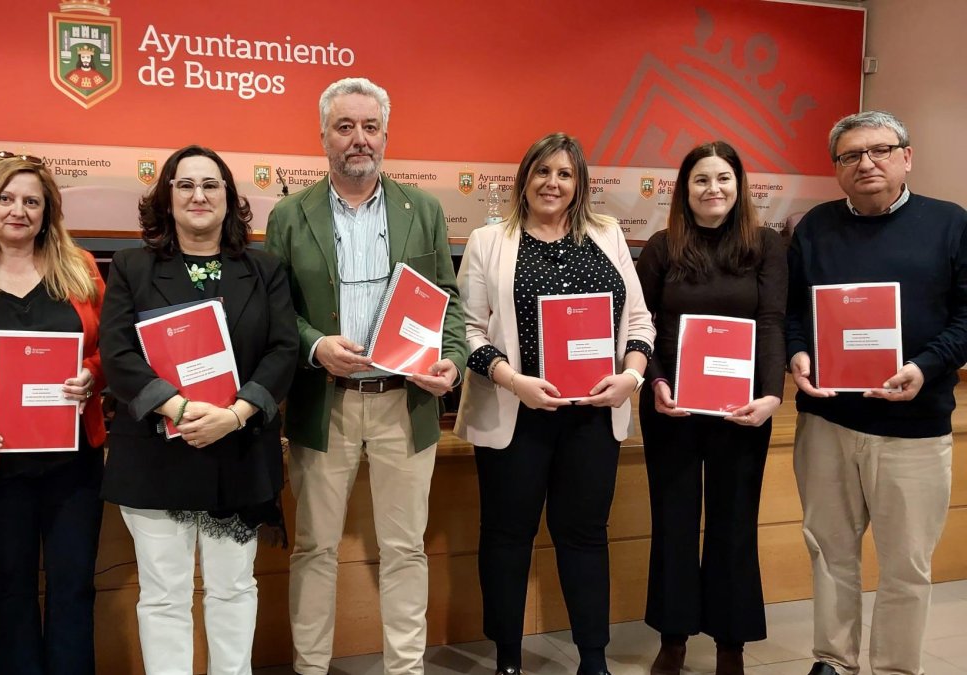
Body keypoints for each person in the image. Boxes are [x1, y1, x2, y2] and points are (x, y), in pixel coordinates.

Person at [265, 77, 467, 675]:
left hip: (405, 403)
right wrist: (314, 345)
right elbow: (276, 312)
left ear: (386, 134)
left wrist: (450, 360)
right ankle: (310, 667)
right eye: (345, 127)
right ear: (323, 135)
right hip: (321, 405)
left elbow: (447, 300)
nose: (359, 140)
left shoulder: (423, 210)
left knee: (406, 551)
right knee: (314, 549)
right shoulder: (288, 215)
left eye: (370, 127)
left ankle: (405, 669)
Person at [454, 132, 653, 675]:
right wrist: (514, 380)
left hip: (592, 415)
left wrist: (630, 379)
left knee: (585, 535)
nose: (552, 183)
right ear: (524, 179)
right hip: (517, 414)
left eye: (564, 174)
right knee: (507, 536)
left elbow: (639, 321)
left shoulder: (608, 235)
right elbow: (467, 329)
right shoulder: (489, 240)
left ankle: (593, 658)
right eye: (542, 172)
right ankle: (509, 659)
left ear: (579, 184)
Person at [100, 144, 298, 675]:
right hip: (157, 460)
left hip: (239, 453)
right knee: (163, 595)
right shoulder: (131, 267)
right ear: (166, 197)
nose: (198, 195)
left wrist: (236, 413)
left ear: (229, 198)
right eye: (185, 184)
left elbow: (284, 350)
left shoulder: (264, 269)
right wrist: (182, 409)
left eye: (211, 185)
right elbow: (117, 355)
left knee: (234, 588)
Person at [786, 110, 967, 675]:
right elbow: (793, 311)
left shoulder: (951, 224)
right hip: (827, 423)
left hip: (914, 428)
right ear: (836, 167)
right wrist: (797, 353)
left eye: (880, 150)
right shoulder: (814, 227)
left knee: (906, 564)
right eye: (850, 155)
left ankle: (894, 668)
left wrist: (926, 365)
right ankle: (833, 661)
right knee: (829, 551)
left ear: (906, 157)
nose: (866, 163)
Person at [0, 152, 106, 675]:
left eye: (32, 201)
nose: (18, 210)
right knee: (10, 589)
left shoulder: (81, 269)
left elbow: (111, 350)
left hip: (74, 461)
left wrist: (93, 375)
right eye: (5, 198)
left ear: (48, 211)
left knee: (74, 586)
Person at [634, 141, 786, 675]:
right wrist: (653, 381)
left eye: (723, 178)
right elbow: (641, 326)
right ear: (685, 189)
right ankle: (673, 638)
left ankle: (730, 644)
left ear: (739, 185)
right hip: (670, 407)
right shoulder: (660, 247)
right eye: (701, 180)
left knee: (734, 523)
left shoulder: (767, 246)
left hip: (742, 411)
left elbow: (772, 322)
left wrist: (772, 394)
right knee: (673, 521)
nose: (713, 189)